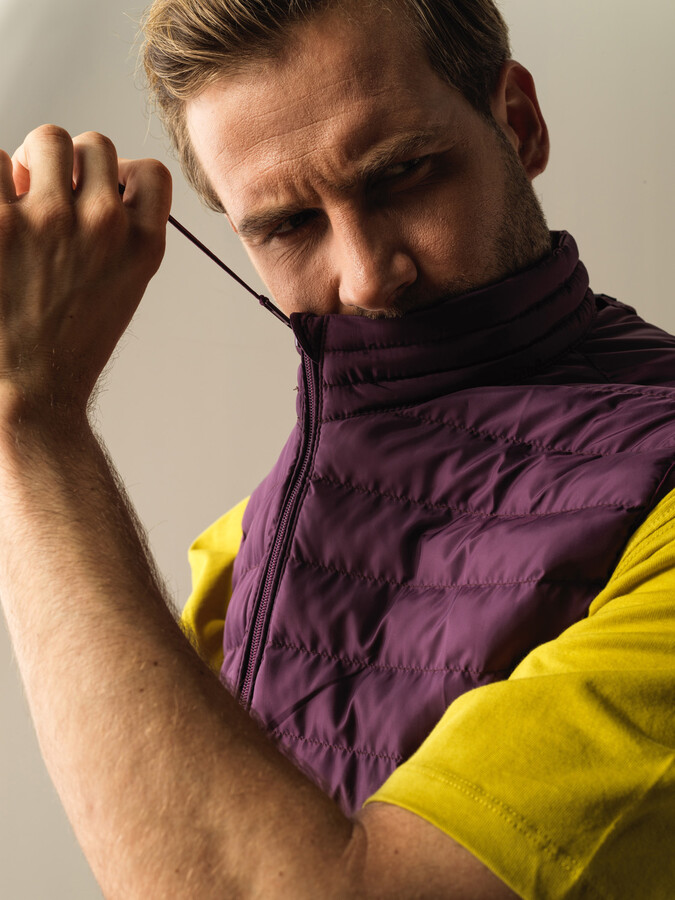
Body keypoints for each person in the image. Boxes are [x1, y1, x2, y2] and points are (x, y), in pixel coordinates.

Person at [0, 0, 673, 898]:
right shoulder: (243, 546)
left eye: (401, 175)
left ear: (517, 122)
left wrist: (33, 427)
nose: (366, 276)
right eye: (287, 225)